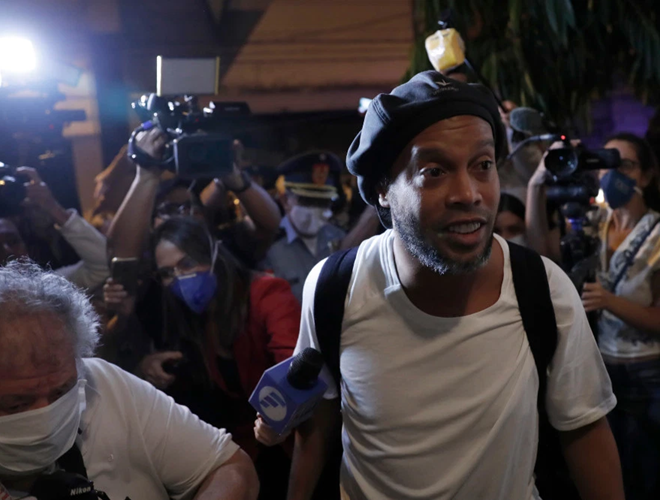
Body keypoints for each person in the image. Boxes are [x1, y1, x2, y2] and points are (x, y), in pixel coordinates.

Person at [280, 72, 623, 500]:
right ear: (383, 188)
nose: (468, 193)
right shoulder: (335, 287)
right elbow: (318, 426)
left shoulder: (544, 290)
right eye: (434, 171)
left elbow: (584, 429)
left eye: (483, 165)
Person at [106, 129, 301, 498]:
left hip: (281, 444)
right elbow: (121, 251)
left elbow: (293, 365)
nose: (180, 278)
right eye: (167, 273)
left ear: (212, 254)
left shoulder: (264, 292)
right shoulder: (179, 312)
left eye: (187, 264)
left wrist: (277, 417)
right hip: (227, 450)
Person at [0, 260, 258, 500]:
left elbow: (231, 468)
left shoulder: (103, 383)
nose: (46, 416)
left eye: (61, 392)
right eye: (16, 404)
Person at [527, 132, 660, 500]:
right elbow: (541, 251)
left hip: (648, 376)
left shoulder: (656, 233)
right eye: (605, 163)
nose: (611, 174)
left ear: (646, 175)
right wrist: (536, 185)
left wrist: (609, 301)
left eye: (624, 165)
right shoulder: (593, 223)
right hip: (603, 370)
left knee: (647, 475)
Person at [0, 167, 109, 291]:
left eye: (13, 242)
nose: (7, 251)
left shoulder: (47, 289)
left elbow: (103, 265)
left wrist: (52, 207)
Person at [260, 152, 346, 302]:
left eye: (323, 203)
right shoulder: (268, 244)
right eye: (307, 201)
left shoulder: (339, 238)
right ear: (285, 201)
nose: (316, 210)